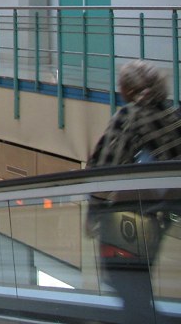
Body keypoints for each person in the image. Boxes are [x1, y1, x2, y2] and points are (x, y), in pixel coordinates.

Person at [87, 59, 181, 319]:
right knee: (139, 278)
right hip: (163, 215)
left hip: (130, 217)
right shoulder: (172, 115)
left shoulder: (128, 117)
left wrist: (93, 212)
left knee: (123, 280)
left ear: (129, 89)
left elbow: (104, 168)